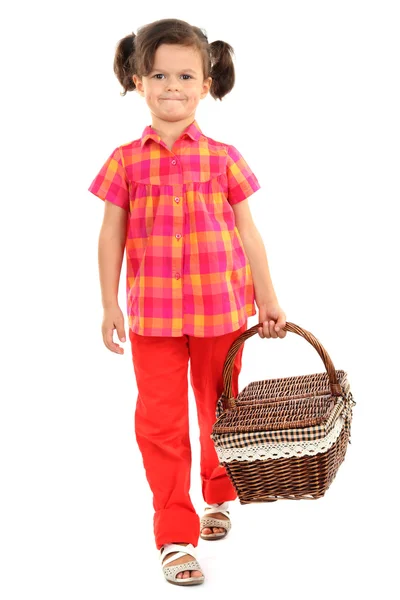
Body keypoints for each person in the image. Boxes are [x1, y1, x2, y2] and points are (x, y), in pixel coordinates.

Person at [88, 17, 287, 586]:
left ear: (206, 84)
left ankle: (218, 493)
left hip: (221, 308)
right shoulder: (125, 160)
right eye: (158, 74)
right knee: (159, 421)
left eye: (184, 75)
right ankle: (175, 534)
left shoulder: (223, 156)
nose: (171, 85)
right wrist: (109, 304)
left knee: (218, 407)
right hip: (151, 315)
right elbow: (110, 235)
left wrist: (267, 296)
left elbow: (249, 232)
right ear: (136, 79)